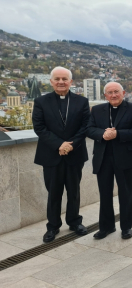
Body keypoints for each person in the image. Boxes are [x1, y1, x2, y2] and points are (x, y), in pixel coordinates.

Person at [32, 66, 89, 243]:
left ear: (71, 82)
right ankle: (53, 226)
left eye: (64, 79)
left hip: (74, 154)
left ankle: (74, 222)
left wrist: (70, 145)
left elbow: (85, 126)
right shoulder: (41, 101)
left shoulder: (82, 102)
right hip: (51, 155)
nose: (61, 82)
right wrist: (59, 144)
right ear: (51, 81)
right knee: (53, 192)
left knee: (74, 191)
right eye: (57, 79)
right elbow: (39, 127)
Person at [86, 82, 132, 240]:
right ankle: (106, 227)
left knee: (126, 193)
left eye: (116, 91)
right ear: (105, 96)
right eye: (110, 92)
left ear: (123, 93)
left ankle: (126, 227)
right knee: (104, 194)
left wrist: (117, 134)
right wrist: (103, 134)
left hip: (124, 157)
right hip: (103, 158)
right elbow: (89, 129)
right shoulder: (97, 110)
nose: (113, 95)